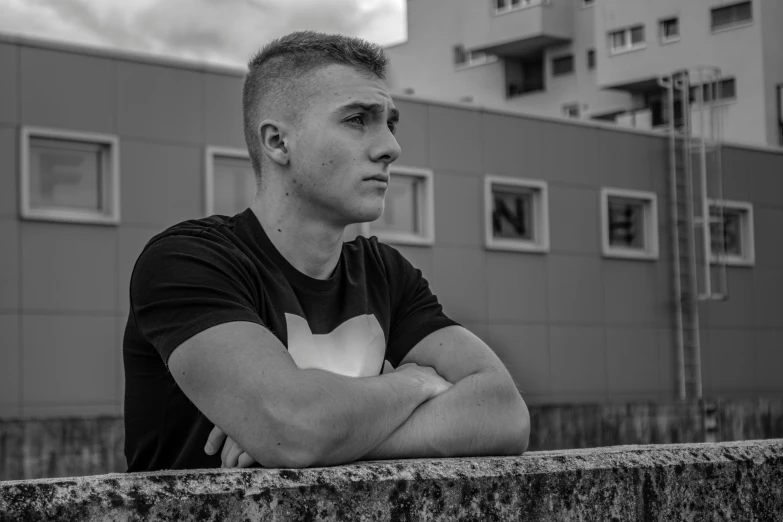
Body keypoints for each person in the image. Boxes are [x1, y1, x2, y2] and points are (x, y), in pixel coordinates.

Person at [123, 31, 530, 471]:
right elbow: (293, 427)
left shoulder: (385, 272)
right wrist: (416, 382)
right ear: (278, 143)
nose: (390, 148)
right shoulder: (189, 262)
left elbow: (505, 412)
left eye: (390, 122)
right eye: (357, 119)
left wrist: (334, 440)